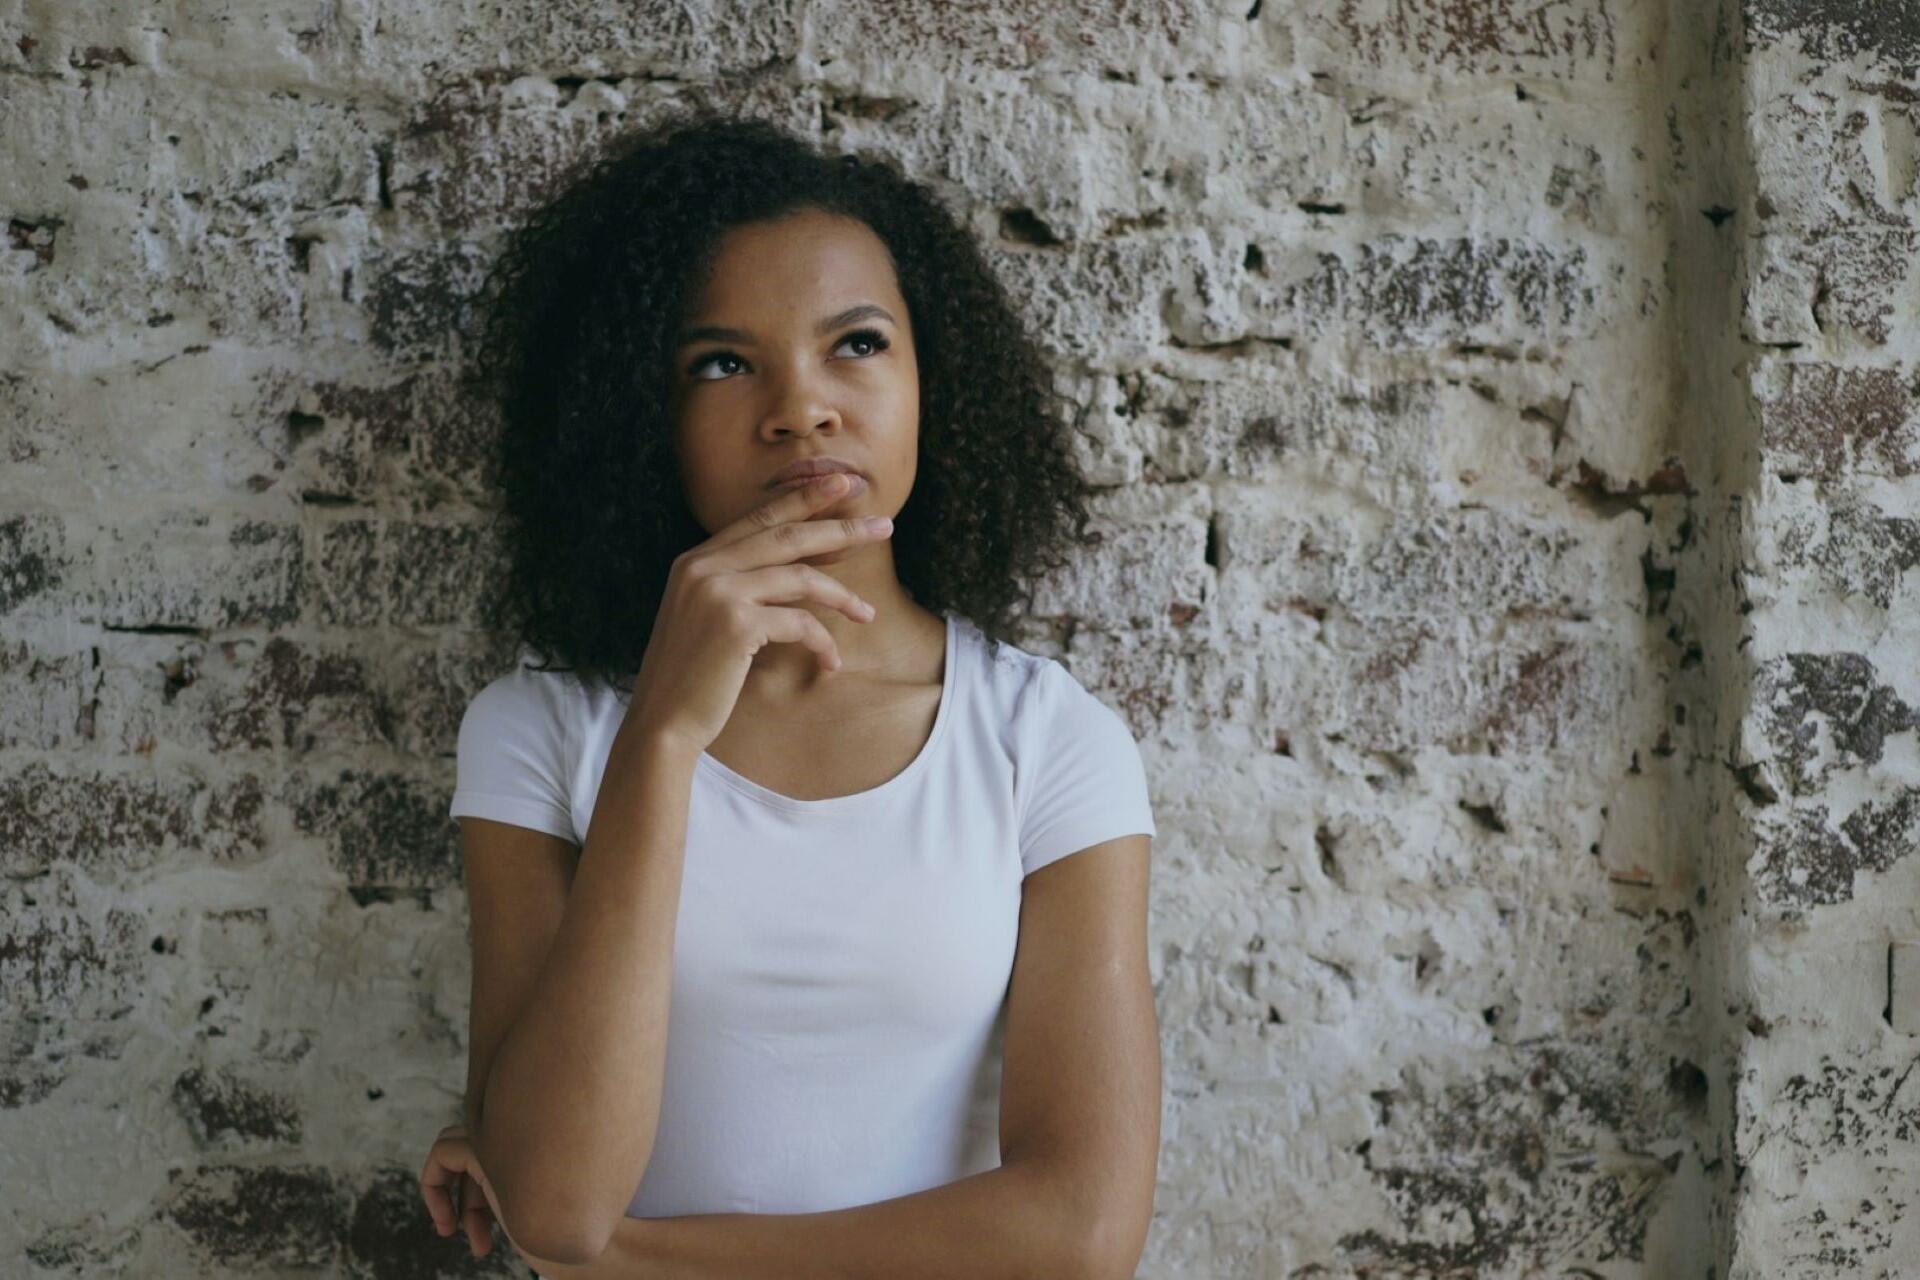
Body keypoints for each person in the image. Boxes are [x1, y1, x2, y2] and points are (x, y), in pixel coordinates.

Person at [417, 110, 1161, 1279]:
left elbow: (1079, 1234)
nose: (800, 406)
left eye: (855, 343)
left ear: (934, 380)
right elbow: (559, 1199)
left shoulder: (1046, 740)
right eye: (722, 361)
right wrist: (663, 731)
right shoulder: (543, 730)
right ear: (638, 416)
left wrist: (636, 1254)